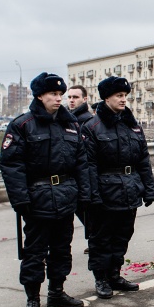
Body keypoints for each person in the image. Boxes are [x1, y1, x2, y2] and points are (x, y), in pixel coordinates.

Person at [0, 72, 90, 307]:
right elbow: (12, 165)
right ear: (40, 96)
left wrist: (84, 194)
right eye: (53, 94)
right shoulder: (22, 124)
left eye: (61, 94)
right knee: (34, 252)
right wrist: (21, 200)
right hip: (37, 198)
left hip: (66, 196)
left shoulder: (70, 123)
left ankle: (57, 292)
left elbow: (81, 162)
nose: (58, 99)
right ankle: (32, 299)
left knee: (62, 249)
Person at [81, 76, 154, 298]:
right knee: (101, 238)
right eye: (119, 96)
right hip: (105, 191)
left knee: (123, 235)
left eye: (125, 96)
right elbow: (89, 165)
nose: (123, 100)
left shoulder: (131, 125)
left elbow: (143, 159)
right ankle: (101, 278)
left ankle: (115, 274)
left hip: (129, 188)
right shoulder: (92, 127)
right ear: (106, 98)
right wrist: (93, 195)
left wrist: (148, 189)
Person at [66, 84, 93, 254]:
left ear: (84, 99)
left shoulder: (86, 120)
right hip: (71, 175)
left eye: (75, 97)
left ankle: (95, 239)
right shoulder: (66, 118)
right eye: (69, 97)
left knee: (85, 211)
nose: (71, 100)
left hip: (83, 174)